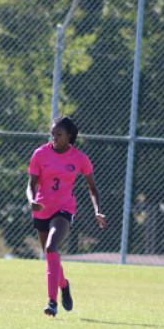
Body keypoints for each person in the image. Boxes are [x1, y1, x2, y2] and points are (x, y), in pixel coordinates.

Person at [26, 117, 106, 317]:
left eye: (59, 134)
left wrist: (97, 210)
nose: (54, 137)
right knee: (50, 255)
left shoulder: (79, 158)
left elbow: (92, 188)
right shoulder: (40, 154)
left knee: (52, 247)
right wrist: (31, 201)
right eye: (52, 133)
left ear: (69, 136)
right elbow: (30, 185)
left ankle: (51, 302)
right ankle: (64, 284)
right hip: (42, 208)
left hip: (64, 209)